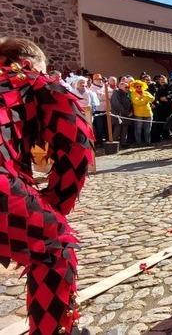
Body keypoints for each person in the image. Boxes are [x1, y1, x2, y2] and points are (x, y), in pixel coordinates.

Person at [0, 37, 94, 334]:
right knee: (55, 245)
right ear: (29, 64)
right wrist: (55, 205)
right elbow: (76, 149)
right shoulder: (28, 79)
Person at [130, 79, 155, 145]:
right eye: (137, 86)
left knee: (148, 130)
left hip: (148, 113)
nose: (138, 88)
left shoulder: (146, 92)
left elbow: (152, 98)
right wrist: (146, 100)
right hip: (138, 114)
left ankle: (148, 142)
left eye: (140, 86)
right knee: (138, 130)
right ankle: (138, 143)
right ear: (134, 87)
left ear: (142, 86)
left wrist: (143, 99)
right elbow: (137, 102)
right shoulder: (133, 94)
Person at [111, 79, 133, 147]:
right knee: (118, 130)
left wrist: (130, 112)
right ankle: (114, 144)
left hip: (126, 115)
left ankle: (123, 143)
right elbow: (116, 104)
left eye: (128, 87)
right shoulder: (116, 93)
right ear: (120, 86)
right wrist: (126, 113)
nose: (127, 89)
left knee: (124, 129)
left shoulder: (126, 94)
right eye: (126, 87)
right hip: (119, 114)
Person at [90, 73, 109, 145]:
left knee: (107, 126)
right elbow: (98, 98)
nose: (100, 80)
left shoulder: (104, 86)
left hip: (106, 109)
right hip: (97, 110)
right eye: (97, 79)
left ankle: (107, 139)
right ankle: (100, 141)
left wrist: (104, 96)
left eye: (100, 79)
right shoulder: (91, 89)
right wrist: (105, 96)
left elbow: (110, 94)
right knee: (99, 126)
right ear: (94, 80)